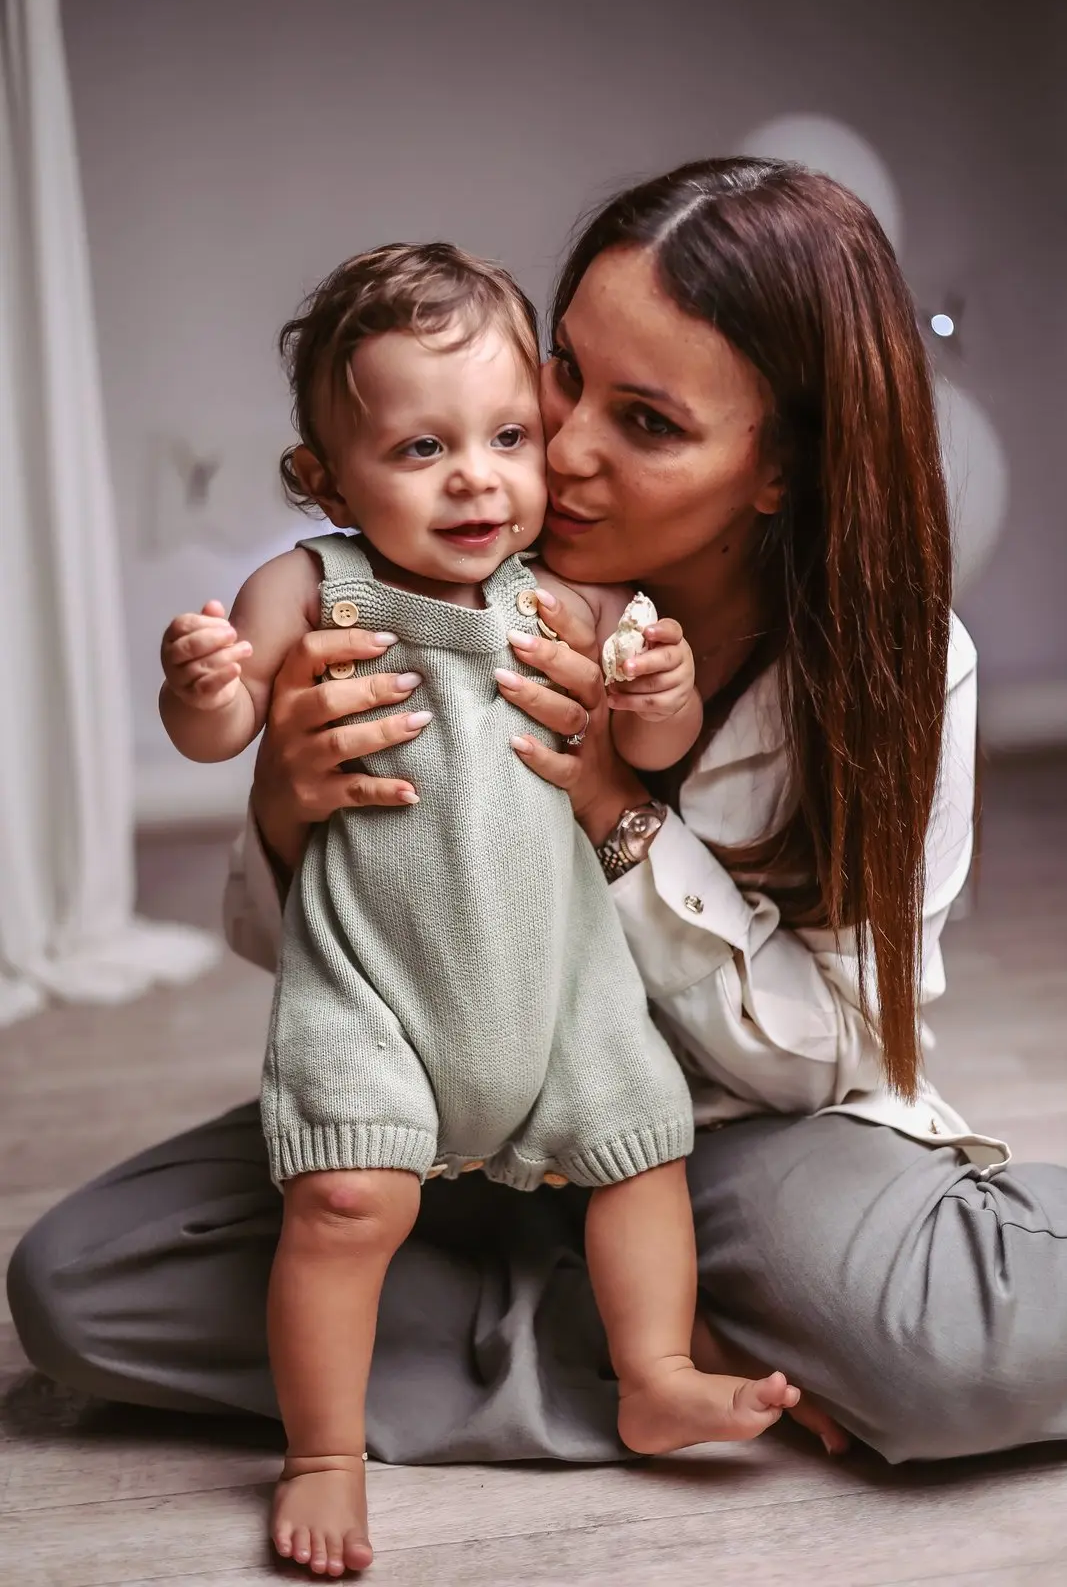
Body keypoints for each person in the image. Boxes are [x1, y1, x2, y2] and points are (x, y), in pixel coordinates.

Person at [8, 158, 1067, 1515]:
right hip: (449, 1085)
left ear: (775, 469)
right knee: (82, 1287)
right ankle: (686, 1350)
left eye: (644, 421)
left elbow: (824, 1052)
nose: (551, 452)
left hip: (734, 1134)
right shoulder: (415, 577)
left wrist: (610, 808)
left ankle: (670, 1322)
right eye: (563, 374)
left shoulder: (896, 670)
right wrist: (282, 807)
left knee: (941, 1361)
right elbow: (337, 954)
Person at [158, 241, 795, 1576]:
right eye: (419, 448)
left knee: (641, 1148)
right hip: (370, 981)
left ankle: (653, 1370)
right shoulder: (311, 588)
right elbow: (220, 736)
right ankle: (324, 1450)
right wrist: (208, 681)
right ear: (325, 477)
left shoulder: (566, 598)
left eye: (508, 434)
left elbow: (658, 746)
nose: (477, 477)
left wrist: (657, 689)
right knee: (340, 1205)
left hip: (556, 983)